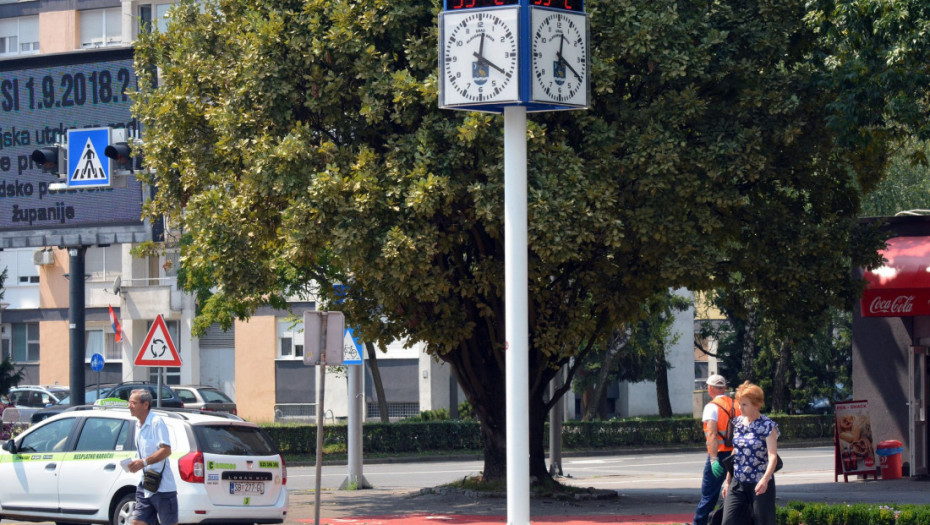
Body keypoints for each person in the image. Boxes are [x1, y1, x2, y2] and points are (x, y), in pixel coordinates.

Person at [720, 382, 779, 525]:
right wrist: (728, 481)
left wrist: (765, 479)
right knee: (728, 521)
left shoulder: (767, 426)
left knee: (762, 521)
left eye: (744, 404)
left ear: (757, 404)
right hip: (738, 482)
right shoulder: (737, 423)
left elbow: (773, 457)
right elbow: (736, 453)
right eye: (740, 404)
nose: (740, 408)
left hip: (759, 483)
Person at [691, 374, 740, 525]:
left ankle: (700, 523)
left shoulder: (711, 407)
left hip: (718, 455)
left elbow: (712, 434)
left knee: (709, 496)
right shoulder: (737, 405)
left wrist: (713, 460)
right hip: (736, 454)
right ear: (724, 388)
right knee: (735, 494)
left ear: (710, 388)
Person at [127, 389, 178, 525]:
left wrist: (143, 462)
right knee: (137, 522)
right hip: (146, 484)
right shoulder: (137, 425)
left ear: (145, 405)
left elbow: (166, 450)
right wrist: (135, 463)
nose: (129, 406)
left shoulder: (156, 422)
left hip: (162, 487)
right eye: (129, 402)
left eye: (133, 403)